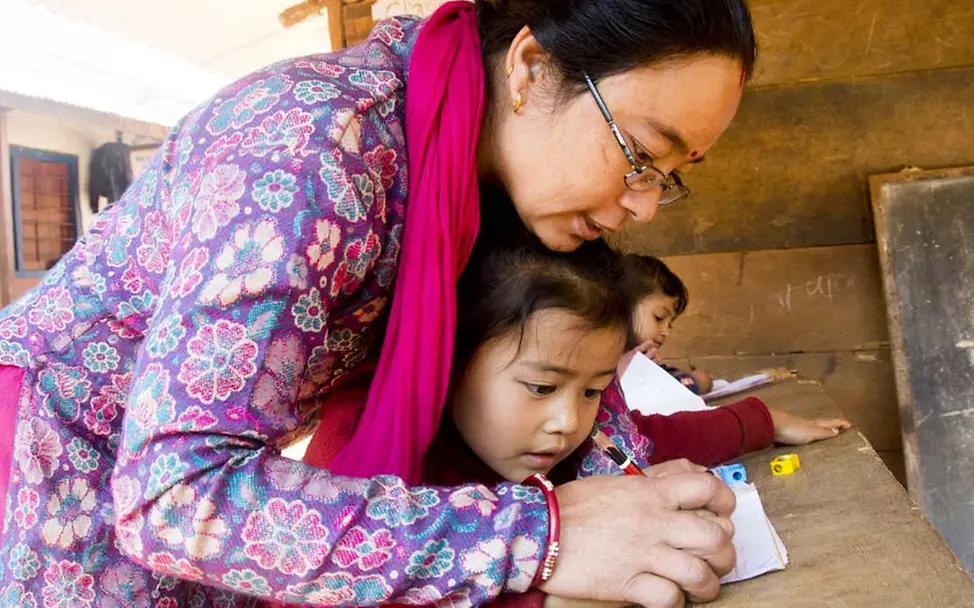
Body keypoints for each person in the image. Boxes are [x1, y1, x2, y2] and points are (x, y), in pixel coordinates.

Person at [0, 1, 756, 605]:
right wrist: (542, 533)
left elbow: (593, 391)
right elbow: (178, 497)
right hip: (56, 465)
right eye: (639, 155)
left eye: (671, 174)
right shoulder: (311, 151)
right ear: (530, 66)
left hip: (184, 493)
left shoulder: (477, 169)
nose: (645, 206)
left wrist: (643, 496)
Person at [618, 254, 853, 465]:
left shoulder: (641, 364)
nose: (666, 332)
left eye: (670, 323)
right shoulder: (619, 368)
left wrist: (766, 422)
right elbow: (640, 441)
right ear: (617, 309)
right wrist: (766, 423)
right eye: (658, 317)